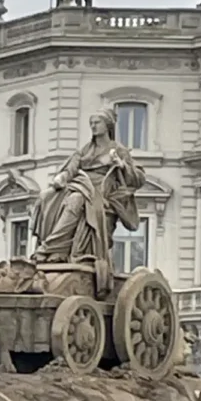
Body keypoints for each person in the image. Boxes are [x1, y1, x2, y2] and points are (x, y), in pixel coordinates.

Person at [31, 108, 145, 287]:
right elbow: (72, 168)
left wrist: (122, 166)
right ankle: (56, 251)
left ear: (107, 125)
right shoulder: (85, 150)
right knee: (46, 197)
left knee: (76, 200)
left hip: (101, 193)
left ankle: (49, 248)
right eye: (91, 122)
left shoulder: (118, 150)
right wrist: (61, 178)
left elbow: (138, 179)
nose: (92, 125)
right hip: (80, 184)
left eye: (96, 122)